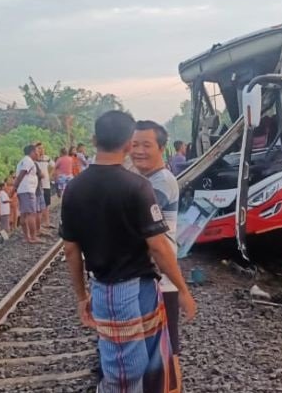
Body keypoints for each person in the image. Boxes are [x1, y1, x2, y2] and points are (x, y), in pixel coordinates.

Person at [61, 110, 197, 393]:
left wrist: (81, 296)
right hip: (132, 289)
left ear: (94, 139)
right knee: (127, 371)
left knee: (140, 363)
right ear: (126, 144)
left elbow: (71, 251)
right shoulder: (137, 187)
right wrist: (183, 290)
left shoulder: (73, 189)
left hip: (107, 287)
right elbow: (158, 246)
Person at [131, 120, 184, 390]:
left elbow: (134, 225)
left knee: (167, 350)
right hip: (153, 278)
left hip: (162, 279)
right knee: (158, 348)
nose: (138, 150)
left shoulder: (160, 183)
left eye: (146, 145)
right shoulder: (145, 181)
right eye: (134, 144)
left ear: (162, 148)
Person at [14, 144, 40, 243]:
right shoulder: (28, 161)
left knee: (24, 214)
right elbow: (21, 175)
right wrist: (13, 189)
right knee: (31, 214)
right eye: (37, 151)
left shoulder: (23, 160)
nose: (38, 153)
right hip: (27, 190)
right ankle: (33, 237)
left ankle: (27, 237)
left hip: (23, 190)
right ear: (32, 152)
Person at [35, 142, 54, 229]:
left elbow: (53, 166)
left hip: (46, 184)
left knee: (46, 204)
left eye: (42, 148)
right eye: (39, 148)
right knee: (39, 205)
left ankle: (47, 222)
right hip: (37, 186)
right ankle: (39, 224)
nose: (41, 150)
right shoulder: (34, 160)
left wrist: (50, 175)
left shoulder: (47, 158)